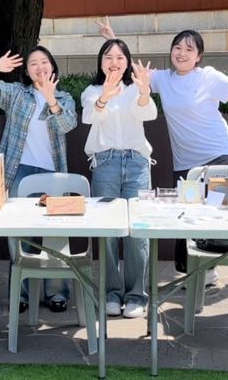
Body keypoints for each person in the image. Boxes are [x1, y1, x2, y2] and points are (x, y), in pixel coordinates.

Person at [97, 18, 228, 281]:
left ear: (198, 57)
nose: (181, 53)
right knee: (185, 216)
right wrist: (111, 38)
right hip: (185, 164)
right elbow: (129, 69)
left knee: (215, 212)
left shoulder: (208, 77)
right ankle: (189, 270)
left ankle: (219, 263)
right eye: (177, 48)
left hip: (217, 157)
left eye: (189, 49)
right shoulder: (164, 79)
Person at [0, 46, 78, 312]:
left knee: (56, 233)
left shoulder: (64, 98)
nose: (40, 67)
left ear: (53, 67)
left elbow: (66, 125)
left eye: (44, 62)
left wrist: (51, 99)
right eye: (33, 63)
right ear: (27, 71)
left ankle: (57, 292)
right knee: (20, 233)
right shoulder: (17, 95)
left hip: (52, 173)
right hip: (19, 171)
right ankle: (20, 293)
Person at [81, 38, 157, 319]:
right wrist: (105, 96)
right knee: (108, 232)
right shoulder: (91, 91)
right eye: (108, 57)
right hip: (106, 163)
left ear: (127, 62)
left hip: (137, 164)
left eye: (120, 57)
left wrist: (144, 91)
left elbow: (146, 113)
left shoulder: (135, 88)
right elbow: (90, 116)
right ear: (101, 63)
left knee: (138, 232)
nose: (114, 62)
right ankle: (112, 293)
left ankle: (137, 296)